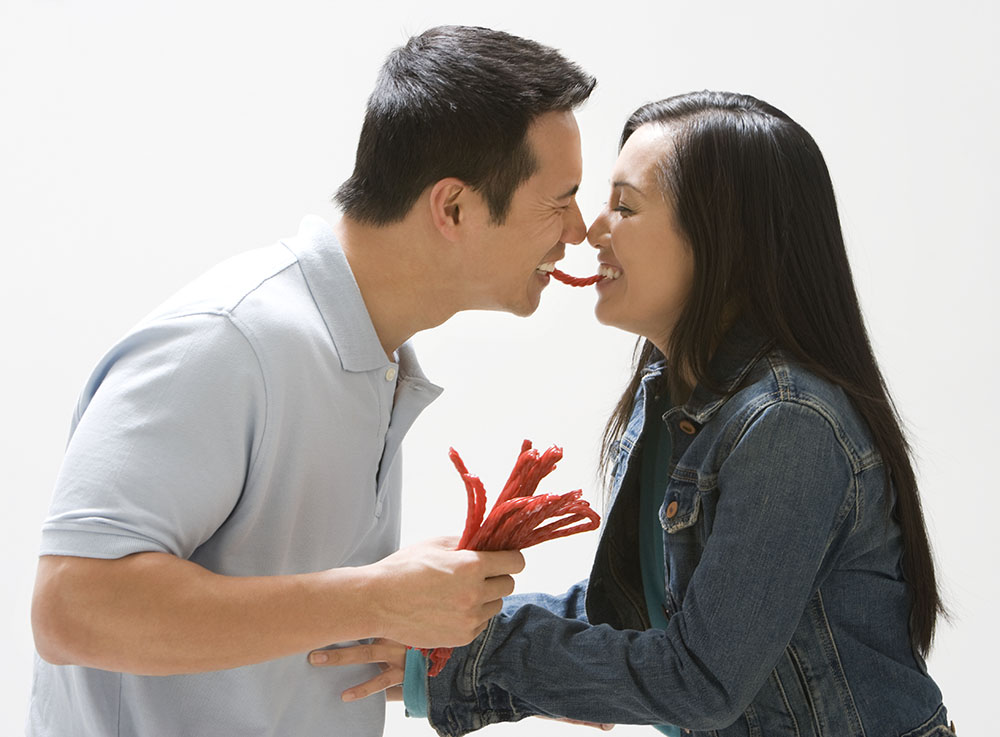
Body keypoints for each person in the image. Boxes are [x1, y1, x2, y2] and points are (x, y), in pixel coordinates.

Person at [321, 91, 954, 736]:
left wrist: (480, 648)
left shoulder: (789, 424)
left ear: (722, 239)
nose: (591, 229)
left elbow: (698, 681)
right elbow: (631, 618)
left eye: (625, 206)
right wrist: (444, 631)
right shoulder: (666, 397)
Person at [28, 26, 595, 737]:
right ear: (452, 207)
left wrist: (509, 659)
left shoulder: (370, 360)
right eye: (561, 198)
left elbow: (288, 649)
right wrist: (371, 596)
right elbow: (71, 606)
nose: (580, 229)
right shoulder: (228, 339)